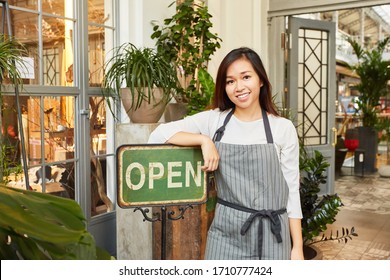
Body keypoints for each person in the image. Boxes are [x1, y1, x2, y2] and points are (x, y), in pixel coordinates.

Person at [148, 47, 304, 260]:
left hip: (272, 236)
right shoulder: (215, 121)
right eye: (230, 81)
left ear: (260, 80)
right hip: (226, 235)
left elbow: (291, 191)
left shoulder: (282, 128)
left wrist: (298, 247)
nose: (238, 87)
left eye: (246, 77)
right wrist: (204, 140)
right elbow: (158, 134)